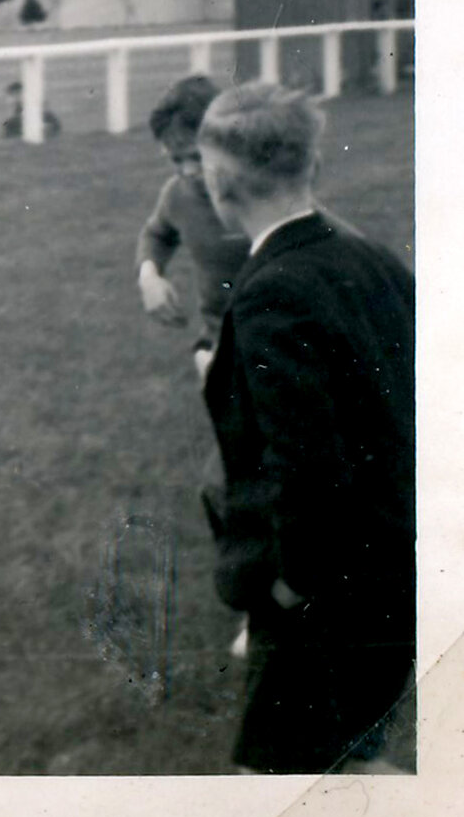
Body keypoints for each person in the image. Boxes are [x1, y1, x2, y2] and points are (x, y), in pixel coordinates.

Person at [196, 82, 414, 774]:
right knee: (345, 763)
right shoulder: (372, 259)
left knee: (280, 780)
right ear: (310, 165)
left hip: (327, 589)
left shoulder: (270, 292)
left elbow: (305, 462)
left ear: (218, 185)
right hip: (393, 567)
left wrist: (293, 585)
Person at [134, 75, 249, 385]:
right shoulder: (178, 194)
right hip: (219, 338)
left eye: (197, 157)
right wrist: (150, 276)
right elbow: (157, 233)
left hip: (277, 335)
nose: (188, 171)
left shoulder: (263, 190)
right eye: (176, 160)